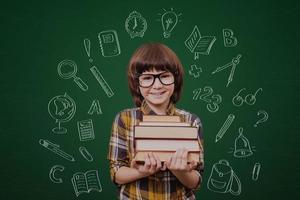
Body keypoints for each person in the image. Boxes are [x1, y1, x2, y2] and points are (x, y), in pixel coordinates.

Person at [107, 43, 204, 199]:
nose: (157, 85)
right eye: (147, 78)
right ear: (136, 83)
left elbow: (196, 181)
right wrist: (141, 171)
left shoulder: (191, 121)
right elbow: (116, 173)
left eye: (164, 76)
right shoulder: (124, 119)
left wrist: (180, 171)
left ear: (175, 79)